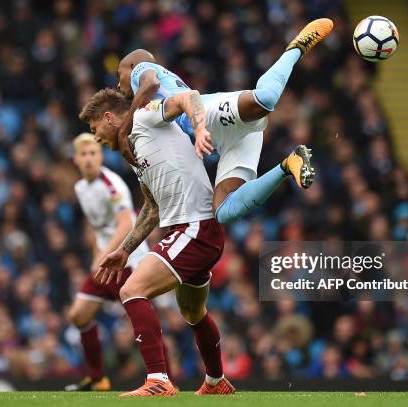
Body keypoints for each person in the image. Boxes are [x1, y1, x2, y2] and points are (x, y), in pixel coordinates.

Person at [79, 88, 234, 396]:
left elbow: (189, 96)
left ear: (109, 117)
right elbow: (151, 210)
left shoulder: (144, 117)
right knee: (192, 312)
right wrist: (124, 250)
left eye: (95, 128)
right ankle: (216, 382)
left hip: (195, 227)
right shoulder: (134, 153)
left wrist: (200, 127)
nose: (96, 137)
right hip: (193, 230)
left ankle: (158, 379)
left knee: (132, 290)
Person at [115, 18, 334, 223]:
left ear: (133, 66)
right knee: (223, 211)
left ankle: (296, 48)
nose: (117, 84)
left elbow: (151, 83)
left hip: (206, 115)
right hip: (224, 138)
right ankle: (288, 165)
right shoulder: (149, 107)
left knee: (265, 99)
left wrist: (123, 130)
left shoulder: (142, 70)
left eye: (119, 75)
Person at [64, 133, 150, 391]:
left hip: (127, 260)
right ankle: (98, 378)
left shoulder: (112, 184)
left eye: (94, 153)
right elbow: (97, 229)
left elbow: (127, 224)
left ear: (101, 156)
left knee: (141, 322)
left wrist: (102, 258)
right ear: (76, 160)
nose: (89, 159)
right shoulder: (81, 188)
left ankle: (163, 378)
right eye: (84, 154)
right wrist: (96, 256)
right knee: (79, 315)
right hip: (104, 260)